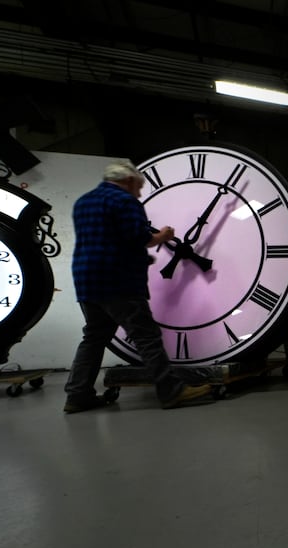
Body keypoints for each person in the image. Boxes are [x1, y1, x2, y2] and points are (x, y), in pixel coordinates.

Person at [64, 160, 211, 413]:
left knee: (94, 337)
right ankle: (171, 392)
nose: (139, 193)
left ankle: (78, 395)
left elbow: (110, 240)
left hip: (87, 280)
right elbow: (139, 237)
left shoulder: (83, 201)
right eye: (139, 187)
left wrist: (141, 257)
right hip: (118, 281)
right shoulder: (125, 201)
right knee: (147, 336)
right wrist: (163, 237)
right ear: (130, 181)